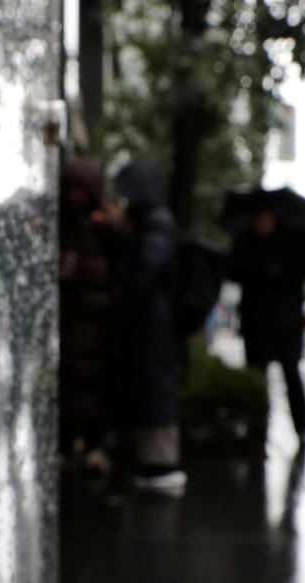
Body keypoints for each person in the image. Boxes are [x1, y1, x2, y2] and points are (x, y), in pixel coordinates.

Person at [110, 159, 185, 492]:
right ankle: (152, 462)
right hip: (150, 322)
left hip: (155, 323)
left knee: (157, 389)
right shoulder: (151, 223)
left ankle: (161, 464)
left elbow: (146, 268)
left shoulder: (157, 224)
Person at [57, 156, 128, 474]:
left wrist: (108, 228)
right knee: (69, 385)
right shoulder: (60, 222)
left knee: (96, 388)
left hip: (98, 322)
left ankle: (96, 446)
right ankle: (68, 443)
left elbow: (125, 254)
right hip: (70, 319)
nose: (75, 197)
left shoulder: (108, 220)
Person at [226, 206, 305, 451]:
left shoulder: (294, 242)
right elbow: (233, 270)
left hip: (286, 323)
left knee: (291, 375)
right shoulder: (245, 242)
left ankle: (303, 428)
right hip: (256, 322)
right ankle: (257, 430)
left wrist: (278, 270)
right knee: (257, 377)